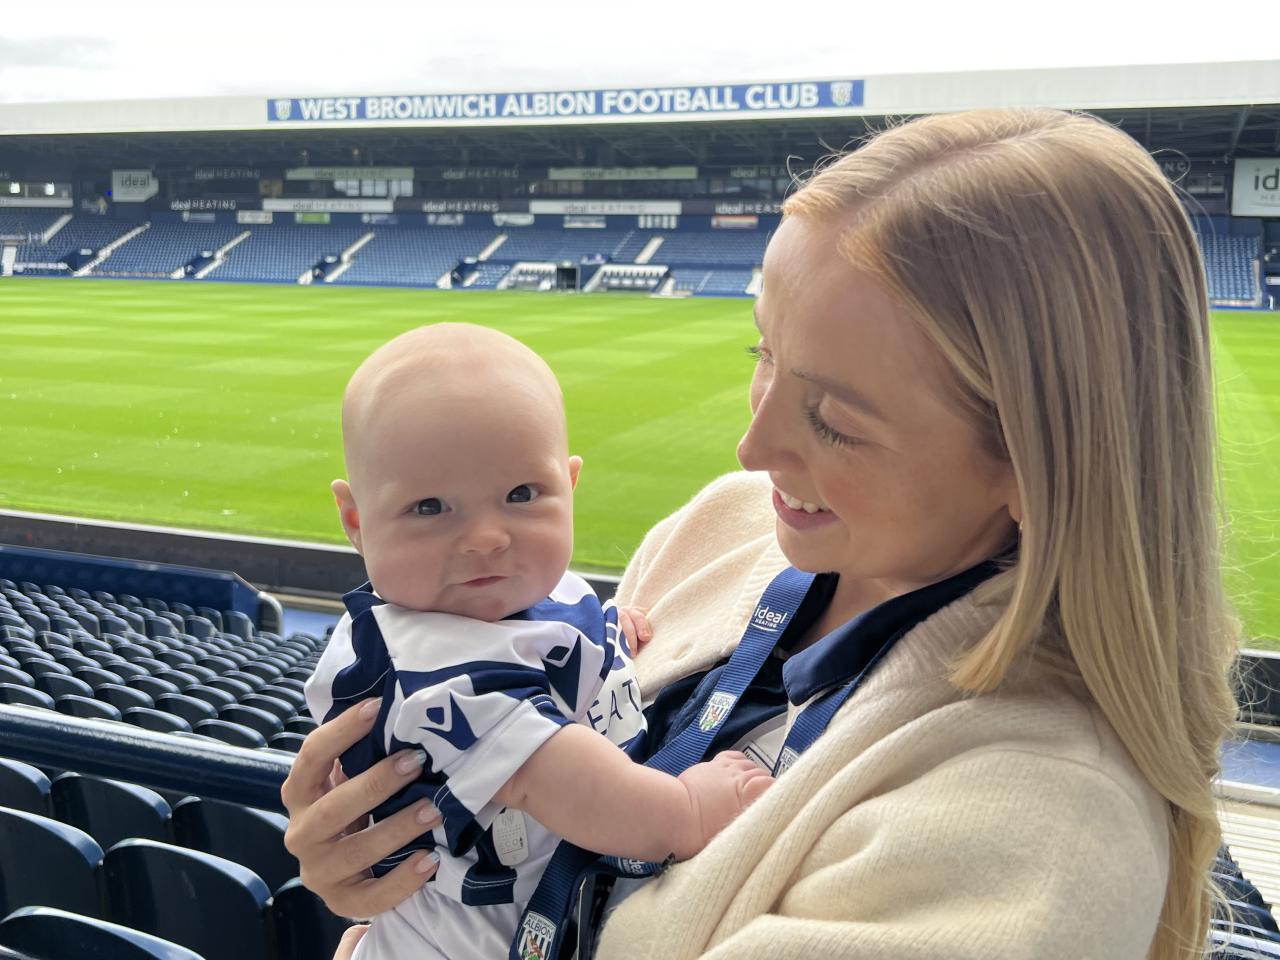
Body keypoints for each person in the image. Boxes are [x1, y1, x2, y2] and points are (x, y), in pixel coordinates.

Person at [281, 109, 1240, 960]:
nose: (752, 446)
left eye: (835, 420)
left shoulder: (1033, 836)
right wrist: (386, 870)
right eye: (763, 353)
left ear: (1038, 465)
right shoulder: (725, 529)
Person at [304, 323, 772, 960]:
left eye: (523, 495)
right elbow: (563, 781)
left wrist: (608, 635)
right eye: (430, 507)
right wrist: (688, 810)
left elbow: (553, 639)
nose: (488, 538)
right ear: (356, 521)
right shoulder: (430, 672)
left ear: (569, 486)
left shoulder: (507, 593)